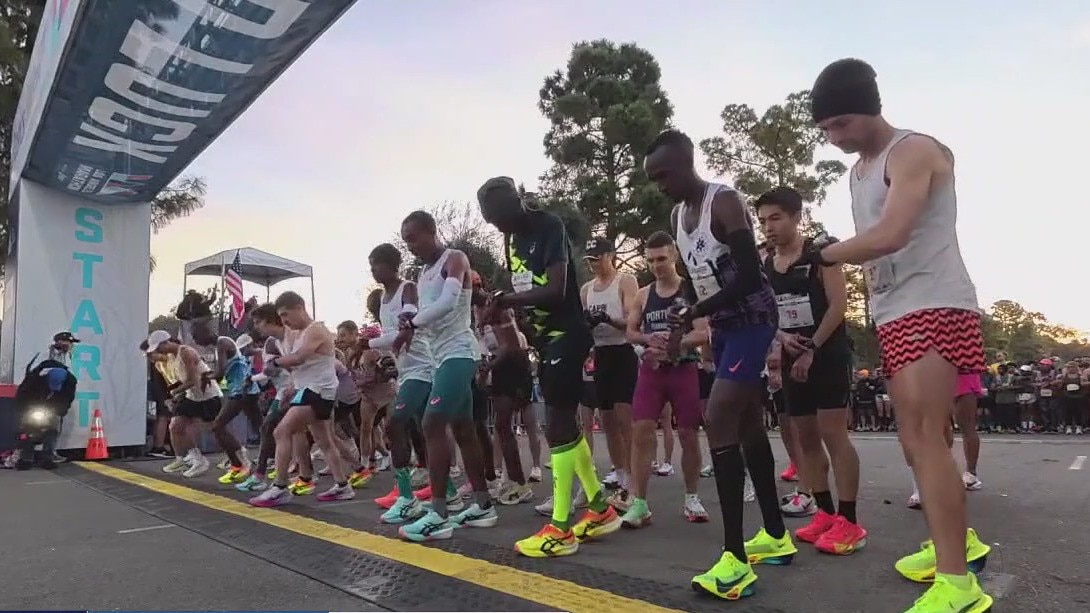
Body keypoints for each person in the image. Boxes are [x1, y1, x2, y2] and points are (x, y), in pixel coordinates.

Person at [798, 58, 992, 611]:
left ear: (866, 108)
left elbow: (892, 233)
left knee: (926, 435)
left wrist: (820, 254)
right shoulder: (857, 171)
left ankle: (958, 586)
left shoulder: (914, 150)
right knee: (915, 439)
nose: (832, 138)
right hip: (895, 308)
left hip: (935, 300)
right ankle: (957, 541)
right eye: (825, 129)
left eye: (838, 124)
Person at [644, 129, 792, 600]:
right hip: (724, 326)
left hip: (752, 318)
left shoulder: (723, 203)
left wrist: (697, 312)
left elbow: (751, 276)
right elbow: (698, 281)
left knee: (719, 416)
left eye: (665, 174)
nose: (660, 184)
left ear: (688, 164)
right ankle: (774, 533)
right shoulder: (676, 215)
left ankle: (735, 558)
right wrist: (684, 310)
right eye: (653, 178)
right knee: (747, 425)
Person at [478, 176, 621, 558]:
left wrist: (506, 298)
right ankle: (600, 507)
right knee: (564, 425)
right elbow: (525, 289)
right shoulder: (511, 240)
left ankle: (560, 528)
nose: (498, 227)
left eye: (500, 218)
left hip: (568, 333)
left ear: (517, 204)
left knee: (558, 425)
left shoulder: (549, 225)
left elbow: (556, 290)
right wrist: (505, 305)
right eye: (491, 222)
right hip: (546, 340)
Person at [756, 186, 865, 554]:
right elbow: (767, 314)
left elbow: (839, 306)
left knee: (834, 435)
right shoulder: (767, 266)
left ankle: (850, 522)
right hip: (792, 356)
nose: (768, 227)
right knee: (805, 437)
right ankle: (825, 512)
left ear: (795, 217)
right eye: (763, 221)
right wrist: (783, 339)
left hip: (827, 354)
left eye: (775, 218)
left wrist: (812, 348)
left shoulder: (821, 254)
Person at [395, 211, 498, 541]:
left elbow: (450, 302)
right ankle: (483, 504)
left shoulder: (455, 258)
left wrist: (413, 323)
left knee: (431, 423)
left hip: (460, 352)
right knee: (464, 430)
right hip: (441, 358)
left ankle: (438, 513)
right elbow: (420, 317)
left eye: (413, 238)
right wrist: (401, 331)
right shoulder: (422, 274)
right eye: (406, 240)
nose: (410, 246)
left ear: (430, 232)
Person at [622, 230, 710, 526]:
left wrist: (677, 342)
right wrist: (649, 338)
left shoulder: (691, 290)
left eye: (662, 259)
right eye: (650, 261)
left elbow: (703, 331)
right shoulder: (644, 294)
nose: (657, 266)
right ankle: (640, 502)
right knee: (642, 430)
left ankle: (691, 496)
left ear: (674, 255)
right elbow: (631, 331)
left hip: (683, 368)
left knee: (688, 433)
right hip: (652, 370)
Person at [249, 291, 355, 507]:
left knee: (281, 431)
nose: (284, 320)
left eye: (286, 314)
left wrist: (276, 363)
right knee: (325, 441)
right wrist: (290, 385)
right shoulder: (296, 334)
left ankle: (279, 487)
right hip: (311, 389)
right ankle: (343, 485)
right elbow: (298, 364)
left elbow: (299, 358)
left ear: (300, 307)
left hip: (318, 390)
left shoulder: (315, 329)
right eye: (281, 317)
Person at [362, 243, 441, 521]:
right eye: (370, 265)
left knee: (396, 422)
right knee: (423, 430)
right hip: (406, 369)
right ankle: (447, 492)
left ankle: (406, 496)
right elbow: (393, 339)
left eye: (377, 264)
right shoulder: (382, 298)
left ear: (392, 265)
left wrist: (367, 342)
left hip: (423, 367)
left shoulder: (408, 287)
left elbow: (405, 323)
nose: (373, 270)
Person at [580, 237, 638, 503]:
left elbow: (631, 321)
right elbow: (582, 322)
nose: (594, 265)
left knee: (624, 416)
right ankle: (621, 471)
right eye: (590, 260)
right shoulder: (587, 289)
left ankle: (635, 476)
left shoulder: (624, 281)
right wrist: (588, 325)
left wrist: (608, 319)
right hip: (601, 352)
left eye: (598, 259)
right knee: (607, 420)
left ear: (610, 256)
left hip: (622, 351)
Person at [473, 271, 536, 505]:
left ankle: (519, 484)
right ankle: (512, 480)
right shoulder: (477, 310)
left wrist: (487, 367)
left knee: (503, 425)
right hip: (499, 366)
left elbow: (510, 346)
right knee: (501, 427)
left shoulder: (497, 306)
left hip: (514, 367)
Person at [145, 330, 220, 479]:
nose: (157, 352)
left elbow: (193, 380)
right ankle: (185, 459)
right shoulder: (171, 358)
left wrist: (174, 394)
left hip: (208, 395)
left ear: (165, 343)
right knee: (175, 425)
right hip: (192, 396)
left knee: (219, 432)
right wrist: (175, 396)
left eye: (158, 348)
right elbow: (180, 381)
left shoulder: (185, 352)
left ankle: (236, 458)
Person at [211, 335, 263, 484]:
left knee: (218, 425)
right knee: (262, 427)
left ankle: (240, 461)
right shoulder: (240, 356)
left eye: (247, 348)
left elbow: (220, 374)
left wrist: (210, 377)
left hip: (242, 392)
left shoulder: (224, 345)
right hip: (247, 391)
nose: (246, 351)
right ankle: (270, 459)